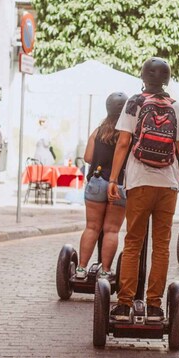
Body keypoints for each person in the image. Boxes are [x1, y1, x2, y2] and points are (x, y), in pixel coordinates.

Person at [107, 58, 179, 323]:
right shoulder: (178, 108)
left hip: (139, 181)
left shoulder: (133, 103)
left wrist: (112, 179)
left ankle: (124, 303)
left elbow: (122, 144)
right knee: (161, 246)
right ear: (167, 80)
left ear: (143, 77)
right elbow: (177, 150)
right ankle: (154, 306)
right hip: (167, 184)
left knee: (133, 243)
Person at [75, 92, 129, 280]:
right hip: (120, 184)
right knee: (111, 230)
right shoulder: (128, 134)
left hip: (96, 182)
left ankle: (81, 269)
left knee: (92, 227)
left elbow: (88, 157)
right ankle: (106, 270)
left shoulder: (98, 131)